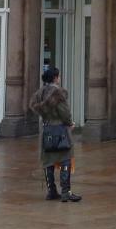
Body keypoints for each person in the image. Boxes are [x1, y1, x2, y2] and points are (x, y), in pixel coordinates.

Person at [28, 66, 81, 202]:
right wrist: (70, 123)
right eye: (58, 76)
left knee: (48, 160)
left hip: (46, 130)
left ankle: (51, 191)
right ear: (55, 78)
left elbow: (34, 106)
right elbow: (65, 113)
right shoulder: (58, 94)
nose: (59, 78)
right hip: (60, 130)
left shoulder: (40, 93)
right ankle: (65, 192)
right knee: (65, 158)